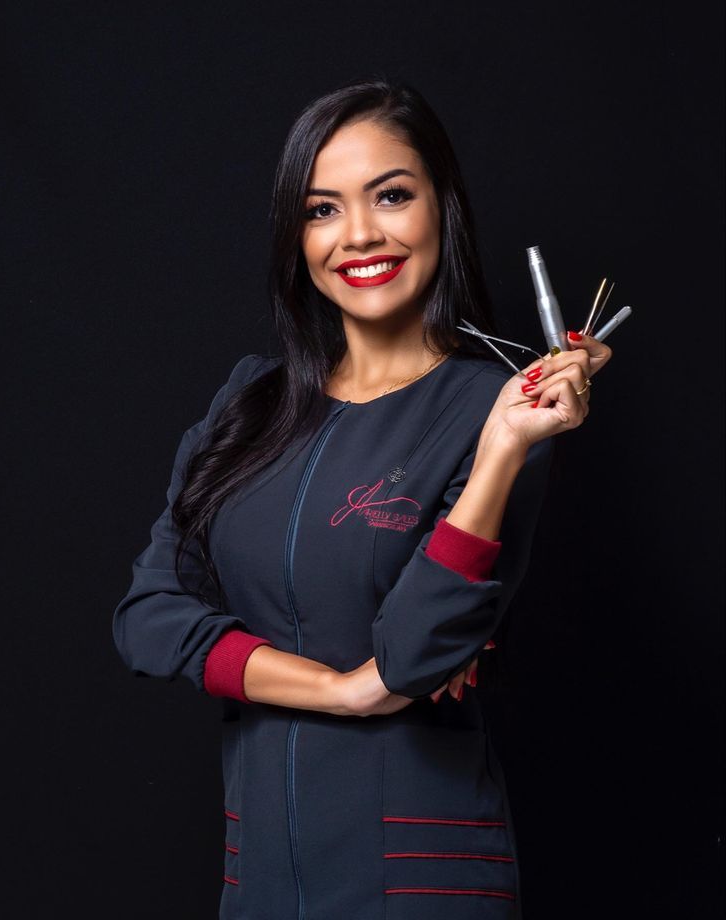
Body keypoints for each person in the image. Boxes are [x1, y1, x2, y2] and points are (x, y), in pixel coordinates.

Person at [112, 76, 612, 920]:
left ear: (441, 208)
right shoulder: (249, 403)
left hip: (421, 879)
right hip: (260, 881)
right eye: (322, 209)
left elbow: (416, 654)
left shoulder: (494, 410)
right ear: (294, 236)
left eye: (391, 195)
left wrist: (500, 449)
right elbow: (148, 617)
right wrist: (341, 690)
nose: (360, 235)